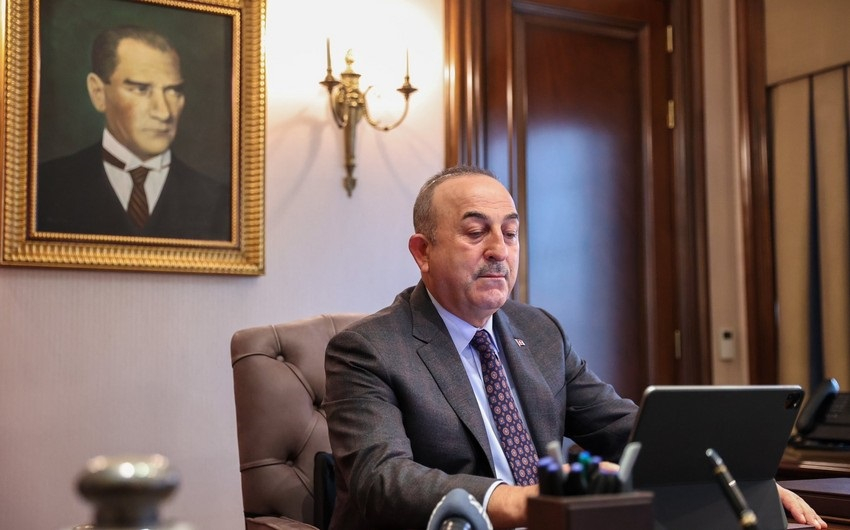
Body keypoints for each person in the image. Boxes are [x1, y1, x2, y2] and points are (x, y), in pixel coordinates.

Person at [324, 165, 827, 529]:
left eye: (511, 233)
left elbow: (624, 428)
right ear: (423, 251)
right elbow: (381, 480)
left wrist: (733, 477)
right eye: (476, 232)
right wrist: (523, 501)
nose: (499, 250)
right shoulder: (367, 350)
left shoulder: (539, 330)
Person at [37, 25, 230, 241]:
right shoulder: (44, 186)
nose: (164, 112)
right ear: (98, 93)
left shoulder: (220, 200)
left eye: (173, 91)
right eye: (141, 89)